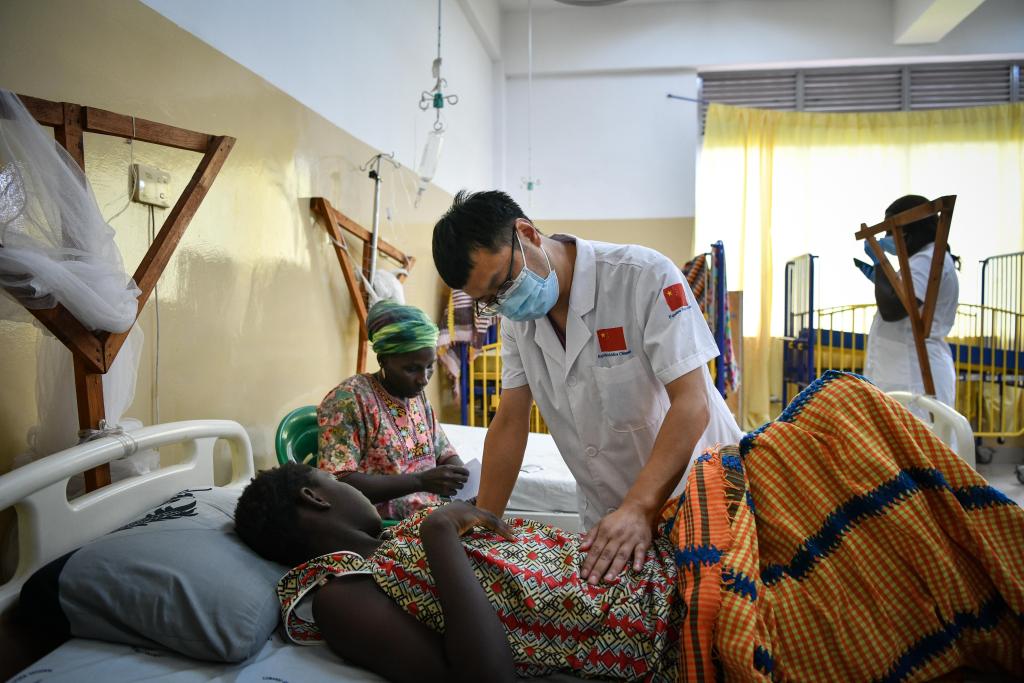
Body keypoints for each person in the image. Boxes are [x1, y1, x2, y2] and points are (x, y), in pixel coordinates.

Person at [235, 372, 1024, 683]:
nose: (348, 485)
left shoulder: (394, 536)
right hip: (663, 615)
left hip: (670, 549)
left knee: (839, 413)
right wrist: (444, 533)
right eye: (334, 481)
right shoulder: (337, 589)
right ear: (313, 498)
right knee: (874, 566)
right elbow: (480, 679)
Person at [430, 190, 742, 585]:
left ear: (527, 234)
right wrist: (486, 526)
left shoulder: (642, 277)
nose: (505, 303)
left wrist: (639, 507)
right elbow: (510, 421)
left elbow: (692, 402)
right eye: (490, 300)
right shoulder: (517, 324)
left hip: (697, 495)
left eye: (502, 284)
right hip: (609, 516)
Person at [316, 300, 468, 520]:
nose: (423, 379)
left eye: (429, 366)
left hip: (433, 517)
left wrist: (463, 478)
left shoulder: (415, 396)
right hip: (384, 526)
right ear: (383, 360)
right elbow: (337, 482)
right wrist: (420, 481)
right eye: (411, 369)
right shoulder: (349, 401)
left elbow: (444, 452)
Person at [855, 194, 960, 408]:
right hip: (903, 371)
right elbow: (901, 299)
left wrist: (880, 264)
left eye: (890, 231)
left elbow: (894, 309)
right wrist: (883, 280)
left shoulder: (928, 259)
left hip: (915, 374)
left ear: (909, 229)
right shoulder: (920, 260)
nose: (886, 238)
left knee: (919, 429)